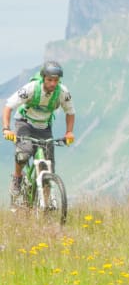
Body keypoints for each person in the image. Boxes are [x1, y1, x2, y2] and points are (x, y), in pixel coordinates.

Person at [2, 60, 75, 205]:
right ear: (43, 78)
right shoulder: (31, 88)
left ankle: (45, 206)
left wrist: (69, 132)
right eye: (49, 80)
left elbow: (70, 112)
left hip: (44, 127)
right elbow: (8, 106)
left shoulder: (62, 92)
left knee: (48, 168)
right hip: (25, 123)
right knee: (23, 153)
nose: (53, 83)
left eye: (56, 80)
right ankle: (17, 178)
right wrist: (6, 129)